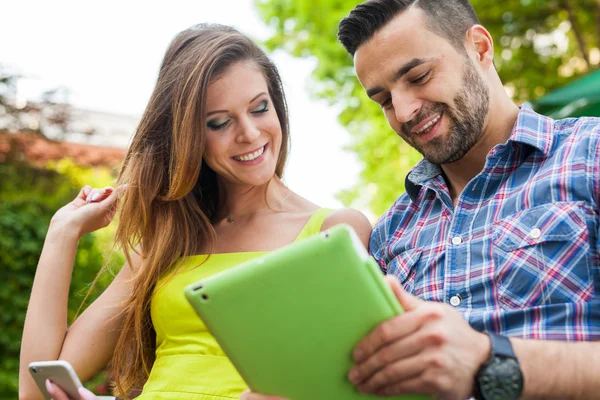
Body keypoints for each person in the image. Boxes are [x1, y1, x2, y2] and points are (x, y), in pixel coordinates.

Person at [243, 0, 600, 399]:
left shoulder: (591, 152)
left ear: (480, 48)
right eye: (384, 101)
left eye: (418, 76)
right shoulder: (389, 232)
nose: (405, 111)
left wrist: (489, 362)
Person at [18, 23, 372, 400]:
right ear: (188, 137)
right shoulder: (168, 241)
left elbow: (342, 383)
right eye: (219, 122)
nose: (250, 133)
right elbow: (38, 389)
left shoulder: (334, 232)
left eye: (259, 108)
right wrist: (62, 232)